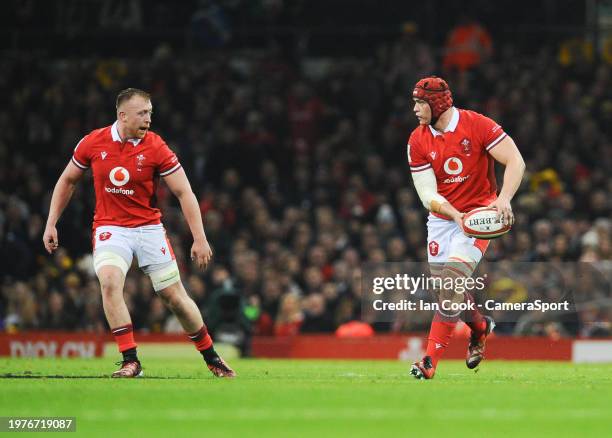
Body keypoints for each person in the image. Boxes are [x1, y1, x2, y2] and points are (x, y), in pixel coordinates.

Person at [43, 88, 236, 378]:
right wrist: (50, 222)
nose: (148, 119)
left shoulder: (156, 146)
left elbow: (184, 192)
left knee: (174, 297)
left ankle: (212, 357)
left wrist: (199, 237)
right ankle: (130, 360)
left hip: (148, 229)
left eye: (150, 113)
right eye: (142, 113)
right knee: (109, 282)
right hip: (111, 227)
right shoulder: (93, 142)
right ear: (123, 115)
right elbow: (67, 180)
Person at [406, 77, 525, 379]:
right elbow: (427, 195)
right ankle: (480, 326)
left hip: (478, 218)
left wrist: (504, 200)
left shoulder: (478, 124)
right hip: (443, 220)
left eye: (420, 103)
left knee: (450, 286)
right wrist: (453, 214)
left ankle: (429, 362)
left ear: (437, 104)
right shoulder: (417, 140)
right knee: (447, 295)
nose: (415, 109)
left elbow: (515, 160)